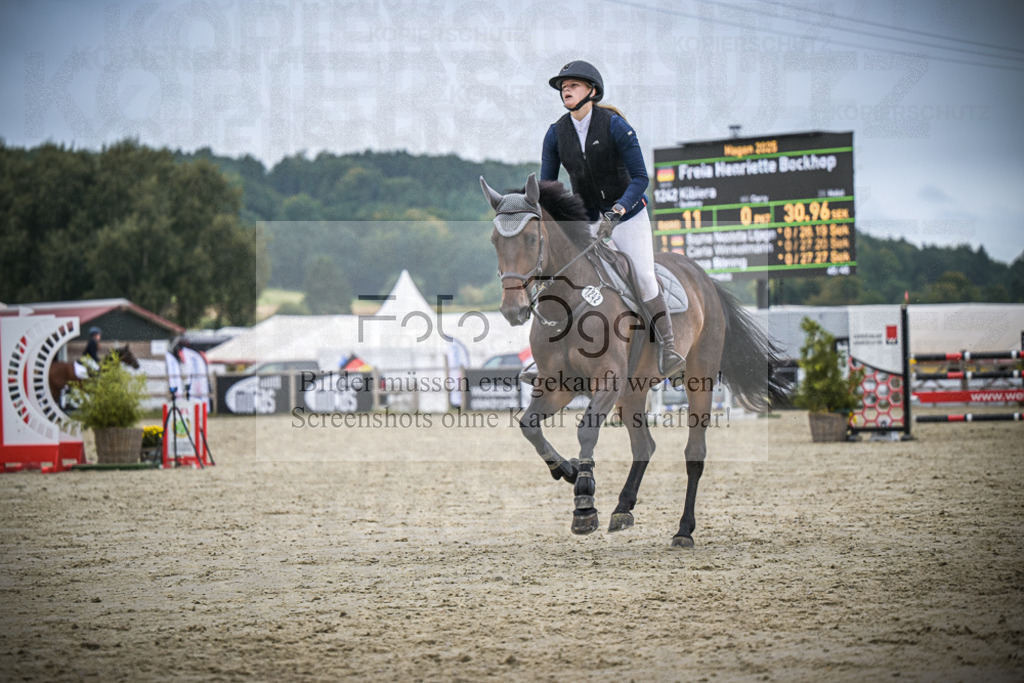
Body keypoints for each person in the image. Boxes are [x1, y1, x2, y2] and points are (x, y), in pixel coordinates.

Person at [540, 60, 685, 375]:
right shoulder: (555, 134)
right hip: (587, 220)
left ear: (592, 91)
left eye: (573, 85)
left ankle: (669, 349)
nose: (566, 89)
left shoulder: (615, 126)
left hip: (628, 217)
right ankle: (548, 358)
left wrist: (618, 209)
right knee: (560, 278)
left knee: (645, 278)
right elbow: (547, 189)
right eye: (563, 86)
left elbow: (641, 178)